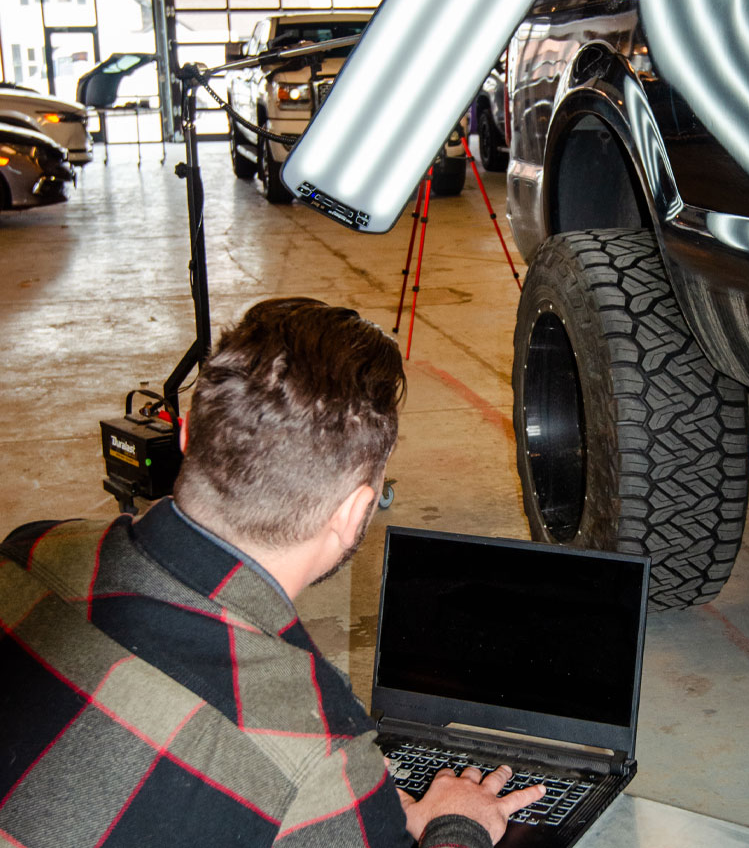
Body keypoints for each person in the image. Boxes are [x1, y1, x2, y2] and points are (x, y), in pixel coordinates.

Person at [0, 297, 543, 848]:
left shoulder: (30, 549)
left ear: (187, 438)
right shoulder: (316, 755)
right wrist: (459, 825)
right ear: (354, 512)